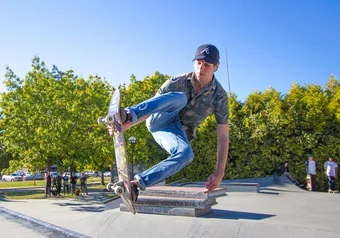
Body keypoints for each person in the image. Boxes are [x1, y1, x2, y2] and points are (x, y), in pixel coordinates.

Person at [108, 44, 229, 201]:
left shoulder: (220, 97)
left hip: (174, 132)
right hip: (160, 122)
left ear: (216, 67)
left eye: (206, 65)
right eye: (198, 63)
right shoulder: (176, 82)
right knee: (180, 98)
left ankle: (136, 185)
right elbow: (153, 106)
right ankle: (128, 114)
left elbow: (223, 136)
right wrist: (123, 125)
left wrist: (219, 172)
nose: (201, 68)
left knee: (186, 155)